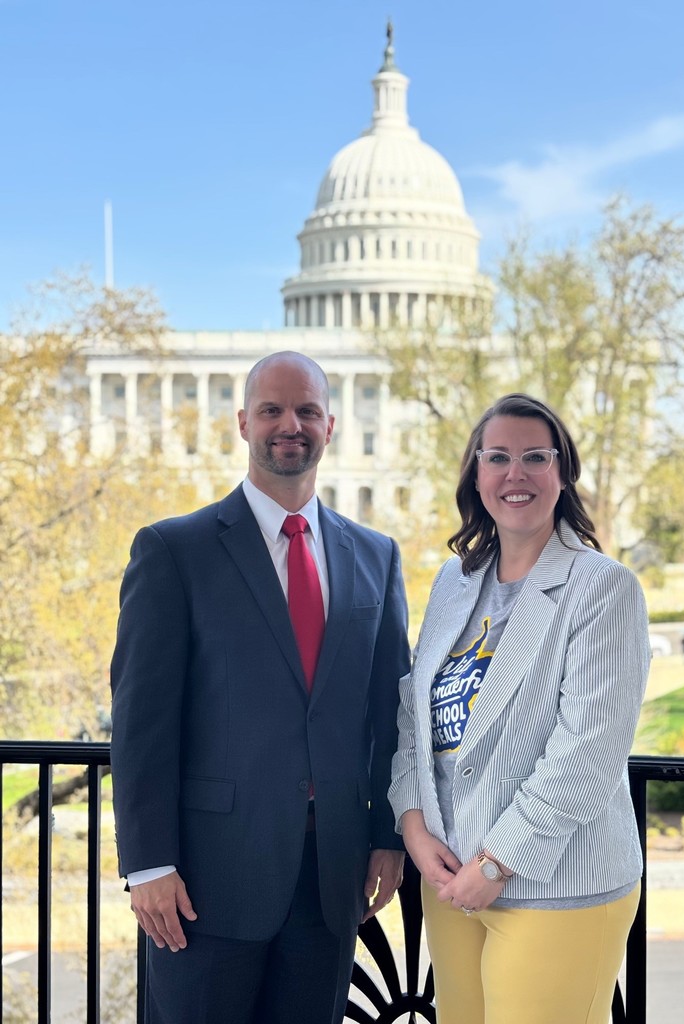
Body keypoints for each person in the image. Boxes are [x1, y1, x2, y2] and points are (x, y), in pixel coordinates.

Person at [110, 351, 410, 1024]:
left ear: (330, 424)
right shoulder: (173, 551)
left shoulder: (376, 556)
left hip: (331, 878)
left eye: (306, 411)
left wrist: (387, 835)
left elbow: (391, 714)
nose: (289, 425)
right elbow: (140, 724)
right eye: (272, 410)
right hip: (204, 881)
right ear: (244, 422)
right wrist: (147, 863)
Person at [389, 393, 651, 1024]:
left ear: (563, 473)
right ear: (475, 476)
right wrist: (412, 821)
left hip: (555, 883)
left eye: (536, 457)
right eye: (498, 457)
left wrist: (498, 860)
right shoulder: (456, 582)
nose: (516, 474)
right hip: (452, 878)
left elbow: (587, 751)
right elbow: (412, 711)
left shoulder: (603, 588)